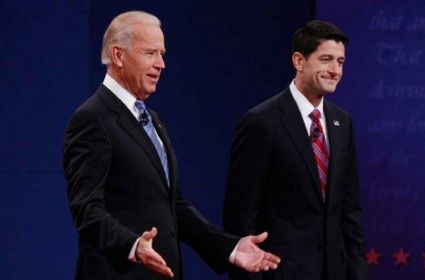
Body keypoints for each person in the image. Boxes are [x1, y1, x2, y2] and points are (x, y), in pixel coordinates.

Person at [63, 11, 280, 280]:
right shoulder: (92, 118)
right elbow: (86, 209)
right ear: (118, 56)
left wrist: (230, 248)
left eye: (162, 53)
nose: (161, 64)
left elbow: (172, 206)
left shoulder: (152, 119)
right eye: (150, 53)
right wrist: (132, 245)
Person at [223, 20, 368, 280]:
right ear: (299, 61)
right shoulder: (261, 122)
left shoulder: (342, 123)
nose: (335, 70)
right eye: (326, 59)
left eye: (341, 61)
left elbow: (349, 213)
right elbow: (240, 218)